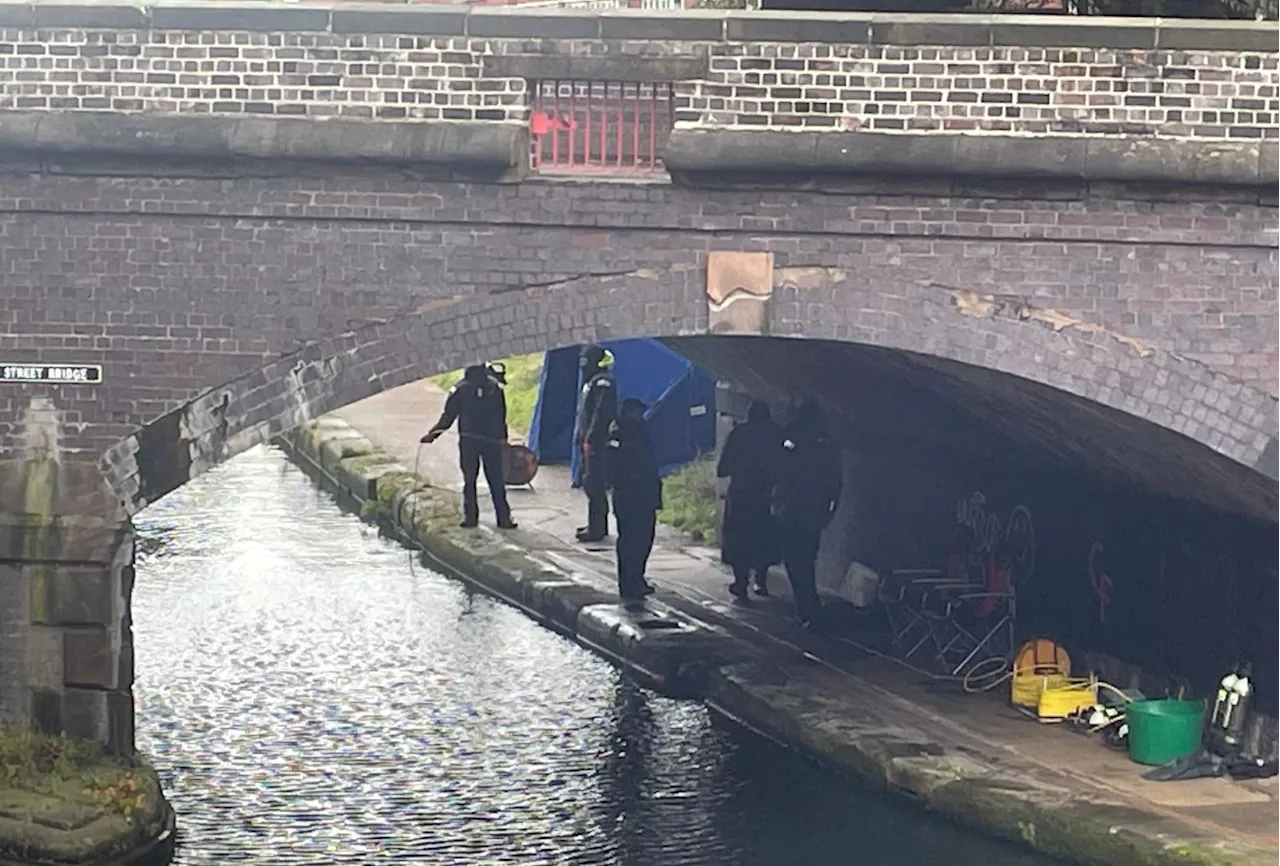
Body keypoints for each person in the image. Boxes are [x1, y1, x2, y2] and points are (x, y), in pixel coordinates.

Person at [421, 363, 517, 531]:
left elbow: (448, 416)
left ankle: (471, 517)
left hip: (469, 440)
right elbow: (502, 415)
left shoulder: (460, 389)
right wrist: (503, 438)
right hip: (491, 440)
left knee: (470, 479)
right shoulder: (494, 387)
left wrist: (433, 434)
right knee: (496, 480)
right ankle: (504, 518)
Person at [772, 399, 842, 628]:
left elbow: (779, 469)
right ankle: (808, 604)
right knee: (807, 557)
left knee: (795, 559)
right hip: (814, 510)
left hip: (792, 510)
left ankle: (805, 604)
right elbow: (835, 480)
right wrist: (831, 508)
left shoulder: (791, 438)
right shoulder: (826, 442)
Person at [717, 400, 782, 601]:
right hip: (766, 496)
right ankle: (761, 579)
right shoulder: (776, 434)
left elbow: (724, 467)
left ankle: (741, 582)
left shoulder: (740, 434)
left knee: (738, 539)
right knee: (764, 537)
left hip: (742, 495)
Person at [605, 398, 661, 602]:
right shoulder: (618, 434)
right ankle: (628, 582)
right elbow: (612, 464)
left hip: (644, 494)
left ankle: (637, 578)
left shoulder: (641, 431)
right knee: (629, 540)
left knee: (644, 539)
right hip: (628, 494)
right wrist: (626, 480)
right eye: (637, 412)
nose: (640, 416)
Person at [575, 344, 617, 543]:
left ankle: (598, 528)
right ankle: (594, 523)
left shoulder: (603, 383)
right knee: (589, 481)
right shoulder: (591, 381)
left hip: (596, 442)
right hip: (586, 440)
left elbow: (601, 414)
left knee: (595, 482)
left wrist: (591, 438)